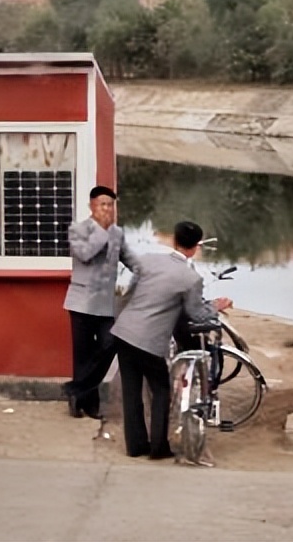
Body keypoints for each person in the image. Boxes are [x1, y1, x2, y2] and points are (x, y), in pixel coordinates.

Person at [110, 220, 232, 459]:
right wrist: (216, 306)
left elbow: (132, 292)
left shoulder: (148, 260)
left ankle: (135, 447)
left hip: (123, 332)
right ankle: (158, 448)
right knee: (161, 390)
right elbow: (196, 313)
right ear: (196, 247)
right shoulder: (190, 278)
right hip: (149, 340)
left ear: (174, 240)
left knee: (132, 391)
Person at [62, 185, 135, 420]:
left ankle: (77, 389)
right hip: (81, 302)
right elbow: (84, 254)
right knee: (82, 355)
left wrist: (154, 273)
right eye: (103, 204)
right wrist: (102, 231)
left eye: (111, 205)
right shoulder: (78, 229)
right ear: (92, 206)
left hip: (106, 304)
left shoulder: (118, 233)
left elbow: (131, 260)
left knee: (109, 343)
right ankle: (85, 404)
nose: (107, 209)